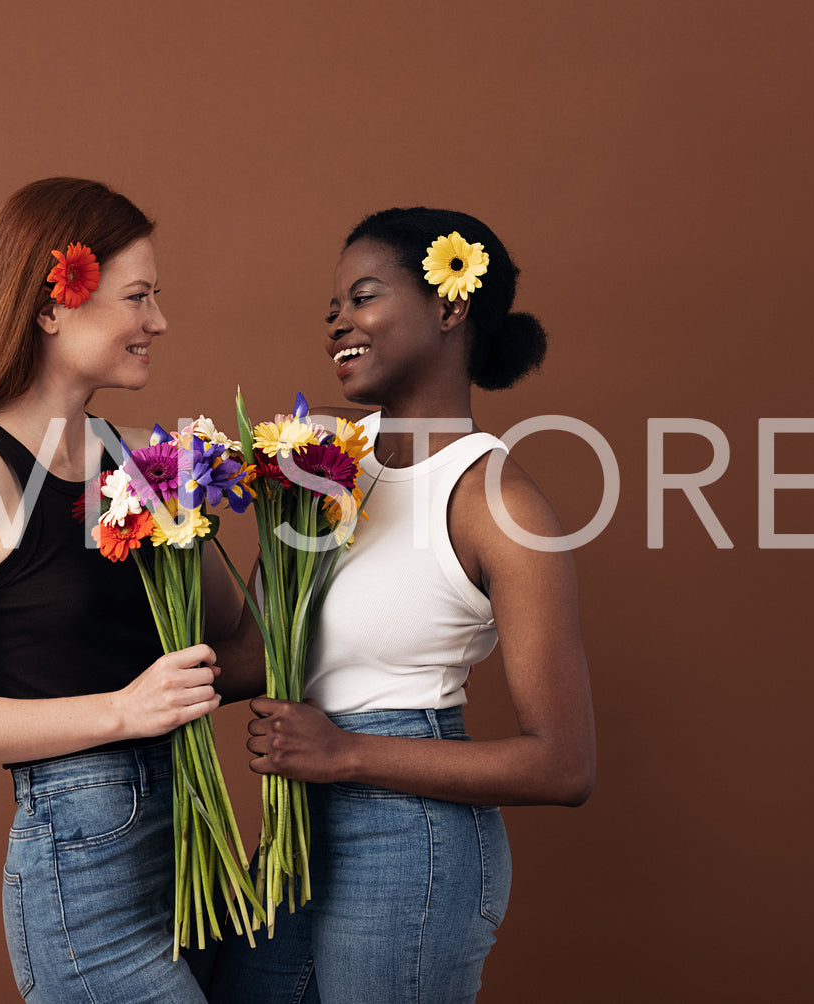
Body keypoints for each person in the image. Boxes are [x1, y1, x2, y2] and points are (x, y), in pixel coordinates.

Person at [209, 207, 597, 1003]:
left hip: (410, 841)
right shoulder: (320, 466)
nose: (337, 324)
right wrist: (159, 533)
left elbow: (563, 764)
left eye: (362, 297)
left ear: (450, 307)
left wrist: (345, 755)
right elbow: (249, 659)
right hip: (295, 824)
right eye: (331, 310)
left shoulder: (497, 503)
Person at [0, 178, 236, 1002]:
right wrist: (121, 709)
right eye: (138, 297)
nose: (159, 322)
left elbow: (234, 645)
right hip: (84, 860)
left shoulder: (146, 460)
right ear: (52, 308)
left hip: (197, 847)